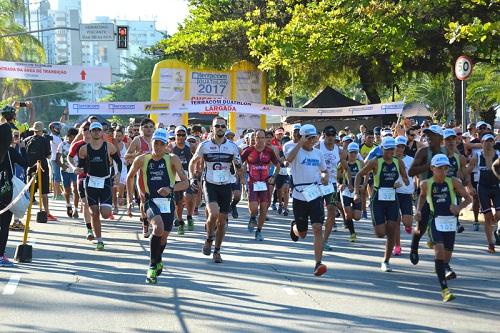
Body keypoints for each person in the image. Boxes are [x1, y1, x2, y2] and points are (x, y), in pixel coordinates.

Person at [127, 128, 188, 284]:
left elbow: (186, 182)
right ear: (151, 143)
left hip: (168, 202)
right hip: (150, 201)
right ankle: (152, 266)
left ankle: (158, 258)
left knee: (163, 238)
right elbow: (130, 177)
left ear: (167, 145)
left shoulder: (172, 159)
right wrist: (129, 199)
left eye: (162, 144)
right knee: (157, 228)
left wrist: (171, 188)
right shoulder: (142, 159)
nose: (158, 146)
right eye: (156, 143)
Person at [415, 154, 471, 302]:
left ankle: (443, 267)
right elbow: (421, 197)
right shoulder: (426, 184)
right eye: (439, 168)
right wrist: (419, 211)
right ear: (433, 169)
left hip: (450, 222)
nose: (443, 171)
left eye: (445, 168)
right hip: (435, 220)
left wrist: (459, 208)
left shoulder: (454, 182)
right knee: (439, 252)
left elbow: (469, 198)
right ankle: (444, 290)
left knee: (446, 257)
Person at [189, 117, 242, 263]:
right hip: (210, 183)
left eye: (222, 126)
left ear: (226, 128)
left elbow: (239, 167)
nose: (220, 128)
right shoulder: (204, 145)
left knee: (222, 222)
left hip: (225, 185)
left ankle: (217, 251)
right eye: (217, 126)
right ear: (212, 128)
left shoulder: (232, 146)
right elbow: (192, 163)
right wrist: (192, 178)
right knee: (213, 214)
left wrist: (238, 168)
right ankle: (208, 239)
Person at [354, 137, 409, 272]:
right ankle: (381, 224)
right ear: (382, 149)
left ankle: (386, 261)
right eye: (387, 149)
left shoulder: (399, 162)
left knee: (391, 229)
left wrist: (401, 183)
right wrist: (356, 192)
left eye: (392, 149)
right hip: (378, 198)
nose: (390, 151)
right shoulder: (376, 162)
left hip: (392, 199)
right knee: (380, 233)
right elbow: (359, 175)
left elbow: (406, 180)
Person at [286, 124, 329, 277]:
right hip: (299, 196)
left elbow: (324, 171)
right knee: (302, 233)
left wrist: (325, 178)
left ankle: (318, 263)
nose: (312, 140)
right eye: (309, 137)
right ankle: (295, 227)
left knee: (317, 228)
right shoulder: (296, 151)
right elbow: (288, 159)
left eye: (314, 137)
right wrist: (300, 142)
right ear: (303, 137)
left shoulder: (318, 153)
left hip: (315, 193)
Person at [78, 122, 122, 251]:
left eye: (99, 130)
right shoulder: (84, 149)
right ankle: (99, 240)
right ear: (90, 133)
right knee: (94, 213)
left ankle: (98, 235)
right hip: (91, 182)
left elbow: (118, 162)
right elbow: (80, 165)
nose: (96, 132)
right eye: (94, 130)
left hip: (105, 181)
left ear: (102, 132)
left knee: (105, 213)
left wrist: (118, 174)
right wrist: (77, 169)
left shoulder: (109, 147)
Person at [408, 125, 446, 265]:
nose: (428, 138)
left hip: (443, 196)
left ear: (440, 138)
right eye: (427, 135)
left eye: (432, 135)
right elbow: (411, 172)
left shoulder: (446, 152)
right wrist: (428, 166)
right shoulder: (423, 152)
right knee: (421, 227)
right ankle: (414, 246)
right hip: (425, 195)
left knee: (442, 230)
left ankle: (444, 264)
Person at [241, 129, 280, 241]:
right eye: (258, 137)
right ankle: (253, 217)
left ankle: (259, 231)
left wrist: (273, 177)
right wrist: (242, 176)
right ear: (254, 138)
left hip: (265, 183)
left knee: (263, 209)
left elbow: (278, 166)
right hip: (253, 182)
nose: (260, 140)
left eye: (262, 137)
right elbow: (239, 163)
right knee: (253, 207)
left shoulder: (269, 151)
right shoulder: (248, 150)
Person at [0, 119, 28, 266]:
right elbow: (26, 163)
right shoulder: (10, 152)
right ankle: (1, 255)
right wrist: (22, 147)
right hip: (5, 192)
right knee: (4, 224)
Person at [467, 133, 500, 253]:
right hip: (483, 188)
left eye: (491, 141)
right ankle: (490, 244)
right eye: (486, 141)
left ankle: (497, 230)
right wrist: (470, 186)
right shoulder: (477, 156)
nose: (488, 143)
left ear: (493, 143)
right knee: (487, 217)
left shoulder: (498, 155)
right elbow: (468, 172)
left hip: (496, 187)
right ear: (482, 143)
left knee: (498, 215)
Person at [125, 118, 154, 238]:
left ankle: (154, 219)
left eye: (151, 126)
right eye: (146, 126)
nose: (149, 129)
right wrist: (136, 155)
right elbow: (127, 156)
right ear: (141, 128)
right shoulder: (137, 140)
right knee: (143, 200)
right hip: (141, 174)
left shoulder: (157, 140)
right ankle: (145, 223)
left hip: (156, 174)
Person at [316, 125, 342, 250]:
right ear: (324, 135)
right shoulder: (318, 146)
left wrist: (343, 181)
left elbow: (343, 166)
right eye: (328, 135)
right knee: (318, 211)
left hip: (331, 184)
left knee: (331, 209)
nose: (331, 138)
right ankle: (317, 235)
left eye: (333, 135)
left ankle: (324, 240)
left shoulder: (338, 149)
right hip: (317, 183)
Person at [25, 121, 55, 221]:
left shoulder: (27, 140)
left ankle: (26, 214)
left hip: (30, 167)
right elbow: (48, 155)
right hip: (42, 167)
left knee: (30, 191)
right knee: (44, 192)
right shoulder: (45, 140)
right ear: (42, 130)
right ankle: (47, 213)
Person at [68, 122, 93, 240]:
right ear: (81, 131)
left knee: (95, 207)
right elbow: (69, 157)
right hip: (82, 176)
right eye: (85, 129)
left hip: (97, 178)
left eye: (89, 129)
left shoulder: (99, 144)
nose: (87, 131)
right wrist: (73, 168)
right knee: (86, 203)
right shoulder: (77, 144)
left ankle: (95, 225)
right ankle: (89, 229)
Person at [443, 128, 468, 233]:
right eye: (447, 139)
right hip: (440, 187)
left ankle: (456, 223)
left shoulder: (460, 158)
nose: (450, 141)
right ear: (443, 141)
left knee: (455, 207)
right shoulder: (438, 156)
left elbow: (465, 176)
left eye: (453, 139)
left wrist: (463, 182)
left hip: (454, 188)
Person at [393, 136, 415, 256]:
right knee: (396, 221)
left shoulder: (410, 160)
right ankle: (397, 245)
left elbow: (416, 174)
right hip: (394, 193)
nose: (399, 149)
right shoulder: (390, 160)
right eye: (398, 146)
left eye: (402, 147)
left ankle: (407, 226)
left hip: (406, 193)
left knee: (407, 222)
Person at [171, 125, 195, 234]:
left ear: (186, 136)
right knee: (178, 202)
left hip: (188, 175)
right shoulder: (170, 147)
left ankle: (189, 216)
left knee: (189, 197)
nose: (180, 137)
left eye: (182, 135)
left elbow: (196, 160)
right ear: (175, 136)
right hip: (175, 177)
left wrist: (196, 173)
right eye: (178, 135)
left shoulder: (190, 146)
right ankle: (180, 221)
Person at [338, 142, 364, 242]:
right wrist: (339, 184)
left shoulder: (360, 163)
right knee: (348, 213)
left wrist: (364, 185)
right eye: (351, 152)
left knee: (357, 216)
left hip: (356, 191)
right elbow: (337, 177)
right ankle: (352, 233)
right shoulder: (342, 163)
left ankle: (348, 216)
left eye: (355, 152)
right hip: (345, 191)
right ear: (348, 152)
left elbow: (365, 175)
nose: (353, 154)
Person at [57, 128, 79, 218]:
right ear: (68, 136)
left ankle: (76, 209)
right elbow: (57, 159)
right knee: (67, 190)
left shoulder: (79, 145)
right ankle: (68, 205)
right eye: (71, 137)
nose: (73, 139)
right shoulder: (63, 144)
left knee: (75, 189)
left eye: (75, 137)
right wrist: (62, 165)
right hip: (65, 171)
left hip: (76, 170)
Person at [112, 126, 129, 215]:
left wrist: (128, 160)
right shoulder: (111, 145)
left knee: (121, 188)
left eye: (119, 136)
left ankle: (121, 197)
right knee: (114, 189)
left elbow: (130, 155)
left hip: (123, 168)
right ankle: (115, 207)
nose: (118, 137)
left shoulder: (126, 145)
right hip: (114, 167)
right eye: (116, 136)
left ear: (122, 137)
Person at [49, 122, 63, 200]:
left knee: (55, 176)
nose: (58, 129)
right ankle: (57, 195)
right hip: (55, 159)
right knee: (57, 177)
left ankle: (56, 194)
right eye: (57, 127)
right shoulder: (54, 137)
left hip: (54, 159)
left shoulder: (55, 137)